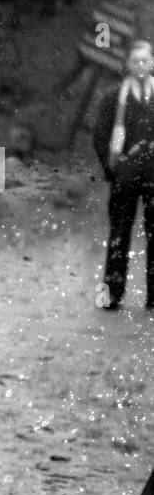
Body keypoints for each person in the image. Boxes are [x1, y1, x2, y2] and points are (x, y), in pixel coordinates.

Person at [93, 39, 154, 311]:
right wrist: (112, 169)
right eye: (135, 61)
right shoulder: (114, 95)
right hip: (125, 174)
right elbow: (100, 136)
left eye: (145, 60)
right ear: (128, 65)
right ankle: (111, 295)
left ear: (152, 62)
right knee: (118, 234)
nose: (140, 66)